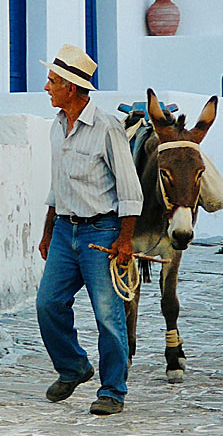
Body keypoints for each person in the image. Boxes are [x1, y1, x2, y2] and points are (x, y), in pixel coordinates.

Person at [36, 44, 143, 415]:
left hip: (101, 232)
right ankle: (74, 367)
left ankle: (113, 390)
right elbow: (57, 185)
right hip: (66, 231)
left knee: (108, 316)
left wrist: (125, 239)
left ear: (71, 87)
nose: (47, 87)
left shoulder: (108, 128)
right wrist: (48, 231)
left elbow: (130, 190)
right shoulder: (56, 126)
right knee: (48, 305)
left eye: (52, 81)